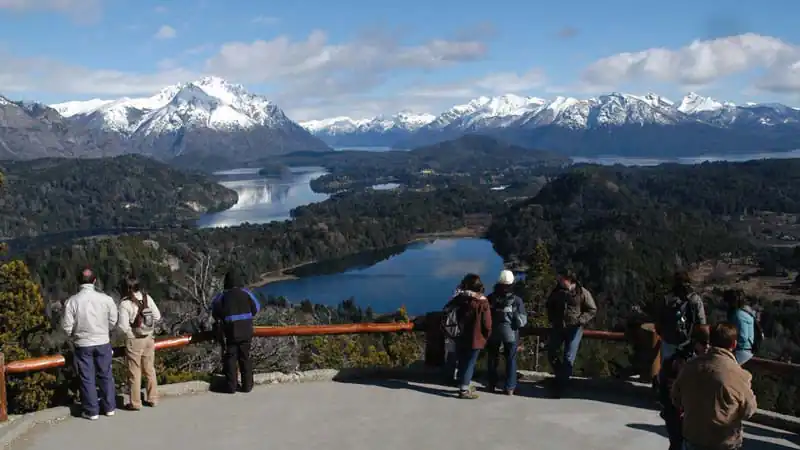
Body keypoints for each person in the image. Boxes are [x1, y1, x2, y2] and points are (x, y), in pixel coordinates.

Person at [671, 323, 757, 450]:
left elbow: (675, 398)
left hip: (693, 438)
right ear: (733, 345)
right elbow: (749, 409)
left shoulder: (689, 367)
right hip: (723, 441)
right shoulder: (738, 374)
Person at [60, 268, 118, 420]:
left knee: (87, 377)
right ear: (94, 281)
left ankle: (92, 410)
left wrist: (74, 335)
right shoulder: (106, 299)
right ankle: (110, 407)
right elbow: (113, 320)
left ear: (78, 281)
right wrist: (105, 330)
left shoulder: (72, 301)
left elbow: (66, 326)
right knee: (106, 374)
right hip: (103, 341)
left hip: (83, 343)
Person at [658, 325, 711, 450]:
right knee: (678, 444)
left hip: (684, 410)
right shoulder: (684, 361)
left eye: (710, 343)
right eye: (703, 343)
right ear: (695, 341)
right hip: (677, 410)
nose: (707, 347)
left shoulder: (696, 357)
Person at [545, 269, 597, 397]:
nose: (559, 280)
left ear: (569, 280)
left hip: (574, 330)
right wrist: (552, 318)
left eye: (562, 278)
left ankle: (561, 386)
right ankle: (561, 376)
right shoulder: (557, 291)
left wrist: (580, 321)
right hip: (558, 327)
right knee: (552, 352)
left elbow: (592, 309)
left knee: (569, 357)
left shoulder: (582, 292)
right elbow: (549, 304)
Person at [211, 269, 261, 394]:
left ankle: (231, 386)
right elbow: (256, 308)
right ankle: (247, 386)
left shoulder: (222, 296)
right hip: (246, 331)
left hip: (231, 333)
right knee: (245, 358)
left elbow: (215, 311)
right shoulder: (246, 293)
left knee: (231, 359)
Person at [117, 275, 162, 410]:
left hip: (135, 340)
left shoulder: (125, 303)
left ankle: (136, 403)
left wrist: (131, 335)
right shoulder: (147, 298)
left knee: (134, 372)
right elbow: (157, 316)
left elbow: (123, 326)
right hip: (149, 338)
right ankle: (153, 398)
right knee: (149, 369)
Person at [443, 273, 491, 399]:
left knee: (463, 360)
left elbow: (448, 308)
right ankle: (464, 389)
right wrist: (486, 336)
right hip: (476, 337)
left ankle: (461, 382)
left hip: (460, 335)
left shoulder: (460, 299)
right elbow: (487, 324)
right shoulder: (483, 302)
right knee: (470, 363)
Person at [486, 269, 527, 395]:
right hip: (510, 333)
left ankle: (491, 384)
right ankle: (510, 387)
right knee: (510, 359)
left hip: (493, 332)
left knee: (493, 358)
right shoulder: (516, 300)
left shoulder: (491, 298)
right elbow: (522, 321)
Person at [655, 271, 707, 365]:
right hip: (688, 344)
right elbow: (702, 325)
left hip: (668, 342)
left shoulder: (666, 299)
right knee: (687, 374)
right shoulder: (695, 299)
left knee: (668, 371)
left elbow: (658, 324)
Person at [725, 290, 756, 365]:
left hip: (740, 352)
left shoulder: (738, 315)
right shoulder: (746, 313)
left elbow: (743, 337)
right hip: (746, 351)